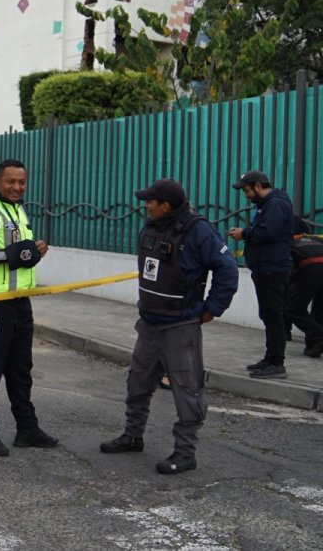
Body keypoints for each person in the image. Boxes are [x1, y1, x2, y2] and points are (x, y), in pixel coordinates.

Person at [101, 179, 237, 475]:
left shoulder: (198, 230)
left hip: (180, 325)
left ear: (166, 205)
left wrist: (212, 309)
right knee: (137, 382)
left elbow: (227, 268)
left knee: (187, 391)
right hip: (149, 322)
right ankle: (132, 436)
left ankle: (185, 452)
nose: (145, 205)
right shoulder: (153, 224)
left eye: (151, 201)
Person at [0, 158, 57, 457]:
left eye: (21, 182)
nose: (17, 187)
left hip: (21, 302)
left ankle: (27, 428)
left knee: (22, 370)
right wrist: (16, 253)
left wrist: (34, 252)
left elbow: (21, 255)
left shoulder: (19, 210)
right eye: (11, 182)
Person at [227, 170, 294, 379]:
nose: (246, 195)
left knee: (273, 315)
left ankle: (276, 363)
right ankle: (270, 357)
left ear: (258, 186)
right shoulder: (268, 205)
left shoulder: (275, 204)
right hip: (266, 267)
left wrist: (244, 234)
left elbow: (267, 233)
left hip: (272, 268)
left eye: (247, 190)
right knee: (269, 315)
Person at [286, 229, 323, 358]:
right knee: (318, 309)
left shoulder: (284, 243)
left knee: (293, 310)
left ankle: (319, 336)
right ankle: (314, 345)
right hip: (315, 265)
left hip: (310, 267)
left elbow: (288, 271)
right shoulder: (314, 239)